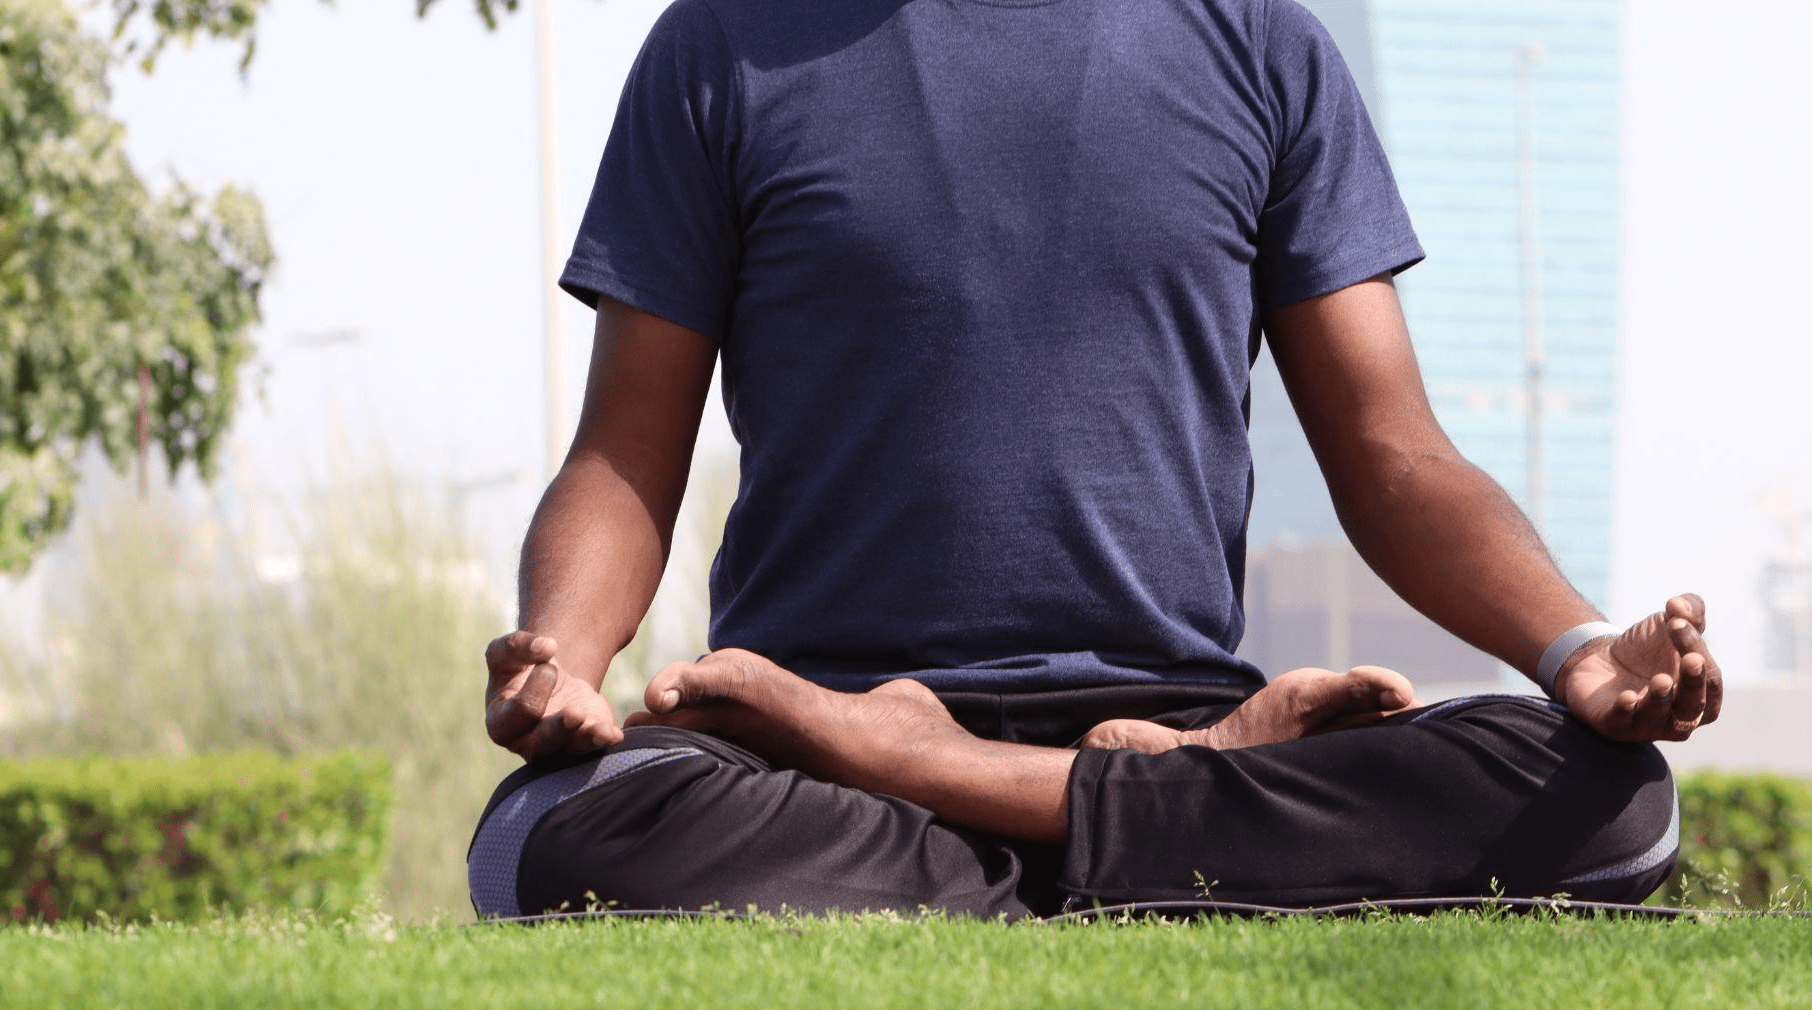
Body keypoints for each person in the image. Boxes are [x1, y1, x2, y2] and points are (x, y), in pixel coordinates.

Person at [468, 0, 1722, 920]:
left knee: (1609, 801)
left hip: (1150, 716)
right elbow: (623, 455)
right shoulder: (720, 46)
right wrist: (562, 659)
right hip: (822, 729)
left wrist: (1575, 647)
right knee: (554, 827)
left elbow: (1395, 455)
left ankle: (961, 799)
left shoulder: (1256, 43)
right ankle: (1138, 840)